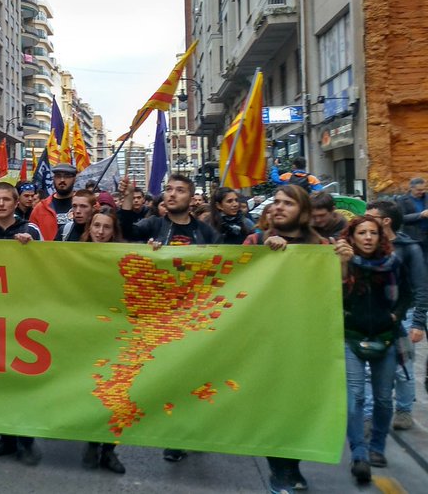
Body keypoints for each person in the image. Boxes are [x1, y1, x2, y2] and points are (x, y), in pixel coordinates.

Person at [118, 174, 218, 464]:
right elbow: (126, 230)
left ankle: (191, 430)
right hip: (159, 317)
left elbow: (221, 267)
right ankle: (176, 435)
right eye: (169, 190)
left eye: (180, 190)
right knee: (169, 378)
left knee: (193, 378)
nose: (172, 194)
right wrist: (127, 199)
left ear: (191, 197)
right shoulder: (153, 225)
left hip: (193, 318)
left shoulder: (206, 232)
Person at [242, 185, 329, 492]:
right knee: (274, 408)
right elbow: (237, 280)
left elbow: (338, 291)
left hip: (306, 340)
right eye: (276, 202)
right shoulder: (255, 240)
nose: (278, 207)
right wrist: (264, 252)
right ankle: (279, 471)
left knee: (300, 406)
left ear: (303, 212)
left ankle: (293, 465)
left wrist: (343, 263)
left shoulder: (322, 246)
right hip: (266, 340)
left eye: (288, 203)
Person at [335, 215, 411, 485]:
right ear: (351, 237)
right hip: (351, 337)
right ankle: (359, 453)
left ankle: (377, 446)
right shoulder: (342, 261)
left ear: (380, 237)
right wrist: (343, 266)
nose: (367, 238)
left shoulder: (393, 263)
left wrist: (394, 317)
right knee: (355, 397)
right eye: (361, 233)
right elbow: (335, 297)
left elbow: (406, 295)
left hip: (386, 338)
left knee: (383, 398)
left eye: (373, 233)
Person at [0, 182, 42, 462]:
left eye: (6, 200)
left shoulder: (31, 230)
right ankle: (5, 437)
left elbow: (50, 265)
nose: (1, 204)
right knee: (0, 379)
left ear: (16, 203)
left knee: (24, 379)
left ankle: (26, 439)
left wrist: (32, 249)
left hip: (24, 314)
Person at [365, 200, 427, 432]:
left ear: (386, 221)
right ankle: (368, 413)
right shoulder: (366, 245)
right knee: (369, 366)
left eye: (370, 217)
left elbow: (421, 288)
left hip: (405, 315)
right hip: (373, 315)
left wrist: (418, 322)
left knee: (403, 366)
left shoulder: (409, 249)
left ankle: (403, 409)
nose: (365, 221)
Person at [76, 206, 126, 474]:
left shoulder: (124, 255)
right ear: (89, 227)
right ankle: (91, 442)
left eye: (107, 227)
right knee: (89, 390)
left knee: (114, 394)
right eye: (96, 225)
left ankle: (109, 450)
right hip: (85, 333)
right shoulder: (74, 253)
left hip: (115, 334)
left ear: (113, 231)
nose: (101, 231)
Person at [30, 162, 78, 241]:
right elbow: (32, 235)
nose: (62, 180)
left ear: (74, 179)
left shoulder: (84, 205)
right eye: (58, 176)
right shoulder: (40, 208)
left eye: (67, 176)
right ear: (53, 179)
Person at [398, 177, 428, 256]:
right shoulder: (402, 200)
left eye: (424, 189)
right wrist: (420, 215)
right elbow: (402, 218)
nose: (422, 192)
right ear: (411, 188)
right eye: (419, 190)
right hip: (412, 238)